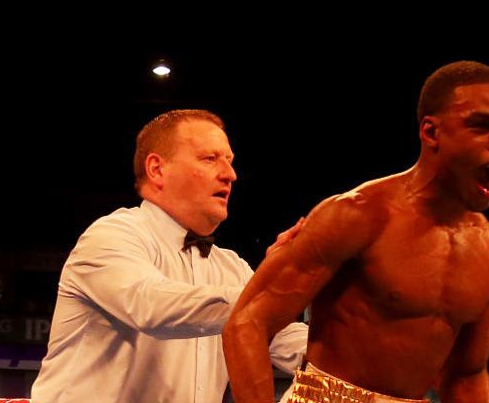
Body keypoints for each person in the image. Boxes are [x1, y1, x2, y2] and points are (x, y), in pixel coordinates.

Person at [222, 60, 489, 403]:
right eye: (482, 125)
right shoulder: (359, 216)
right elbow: (248, 322)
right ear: (431, 132)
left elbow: (467, 375)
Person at [31, 109, 308, 403]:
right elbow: (151, 307)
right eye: (210, 159)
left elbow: (300, 349)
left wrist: (342, 309)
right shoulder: (110, 236)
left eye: (229, 161)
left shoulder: (232, 268)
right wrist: (270, 289)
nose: (230, 174)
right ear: (157, 169)